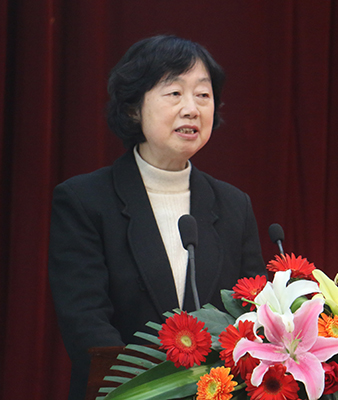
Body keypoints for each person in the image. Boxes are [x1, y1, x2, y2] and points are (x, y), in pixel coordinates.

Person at [48, 35, 266, 400]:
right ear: (134, 108)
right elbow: (85, 322)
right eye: (174, 93)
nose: (192, 109)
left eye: (203, 94)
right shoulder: (84, 200)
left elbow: (253, 316)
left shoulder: (233, 205)